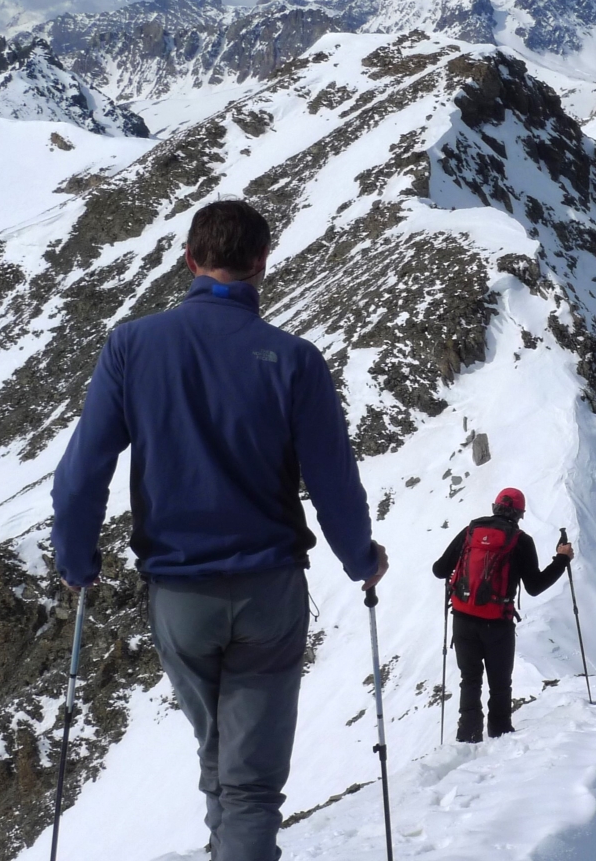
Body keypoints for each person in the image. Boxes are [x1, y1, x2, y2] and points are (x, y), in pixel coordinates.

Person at [51, 200, 386, 861]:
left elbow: (81, 471)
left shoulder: (132, 346)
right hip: (269, 592)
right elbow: (332, 481)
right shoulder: (294, 360)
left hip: (179, 596)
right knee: (251, 783)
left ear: (190, 261)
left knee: (219, 760)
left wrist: (76, 557)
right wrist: (360, 557)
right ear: (262, 264)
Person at [432, 487, 572, 743]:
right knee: (499, 684)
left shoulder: (471, 531)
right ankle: (500, 735)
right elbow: (535, 586)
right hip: (497, 624)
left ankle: (468, 737)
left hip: (463, 619)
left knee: (470, 679)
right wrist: (561, 560)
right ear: (520, 514)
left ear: (495, 507)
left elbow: (439, 570)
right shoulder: (521, 540)